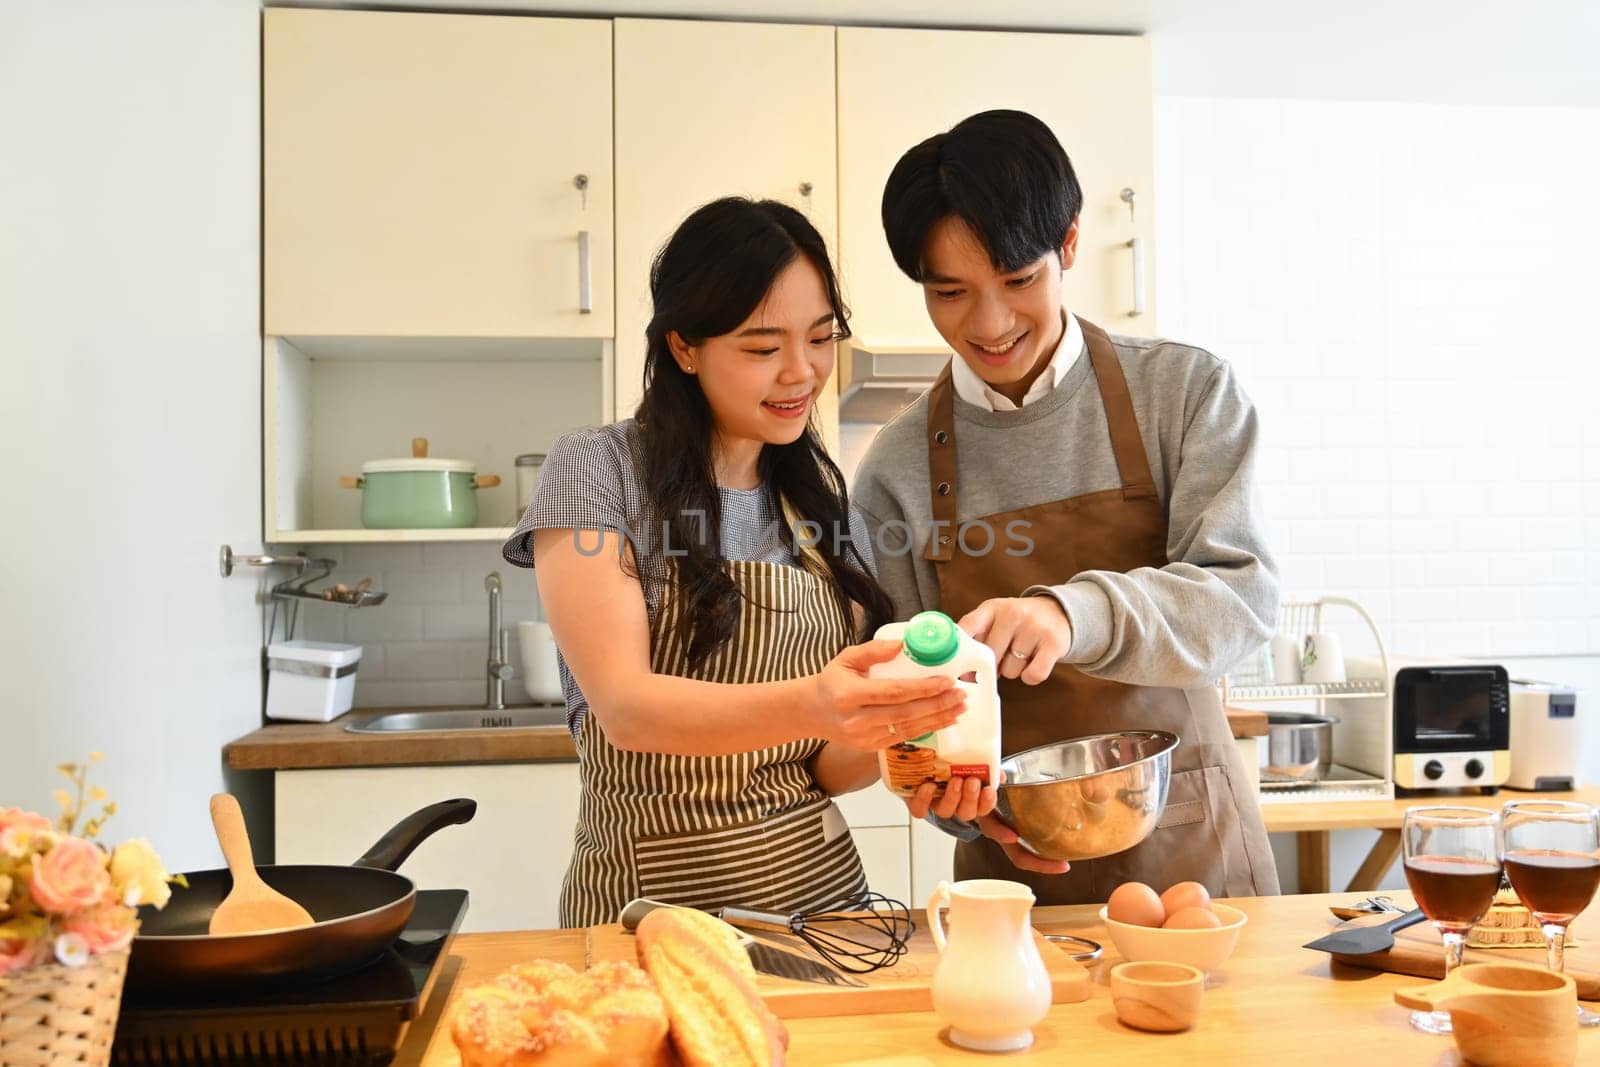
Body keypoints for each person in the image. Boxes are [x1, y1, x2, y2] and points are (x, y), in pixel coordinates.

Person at [851, 110, 1282, 902]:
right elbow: (910, 704)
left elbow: (1241, 598)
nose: (988, 323)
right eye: (950, 292)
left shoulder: (1184, 396)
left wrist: (1070, 612)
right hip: (1015, 881)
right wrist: (954, 802)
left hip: (1199, 860)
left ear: (1071, 245)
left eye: (1019, 280)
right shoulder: (895, 470)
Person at [504, 197, 965, 928]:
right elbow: (624, 707)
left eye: (820, 338)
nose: (802, 372)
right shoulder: (596, 469)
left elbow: (824, 767)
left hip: (823, 916)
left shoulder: (818, 504)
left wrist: (901, 731)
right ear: (684, 347)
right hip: (649, 917)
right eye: (761, 347)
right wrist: (821, 699)